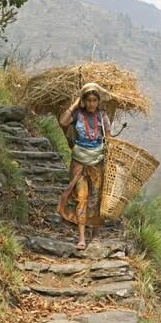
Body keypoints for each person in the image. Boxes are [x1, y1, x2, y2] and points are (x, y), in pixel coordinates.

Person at [57, 82, 112, 249]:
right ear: (84, 100)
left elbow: (109, 140)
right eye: (88, 100)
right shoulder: (77, 115)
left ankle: (95, 234)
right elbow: (63, 121)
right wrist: (75, 104)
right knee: (81, 197)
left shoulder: (103, 117)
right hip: (79, 163)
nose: (91, 103)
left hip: (97, 163)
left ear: (98, 101)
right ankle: (81, 237)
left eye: (95, 100)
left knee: (95, 198)